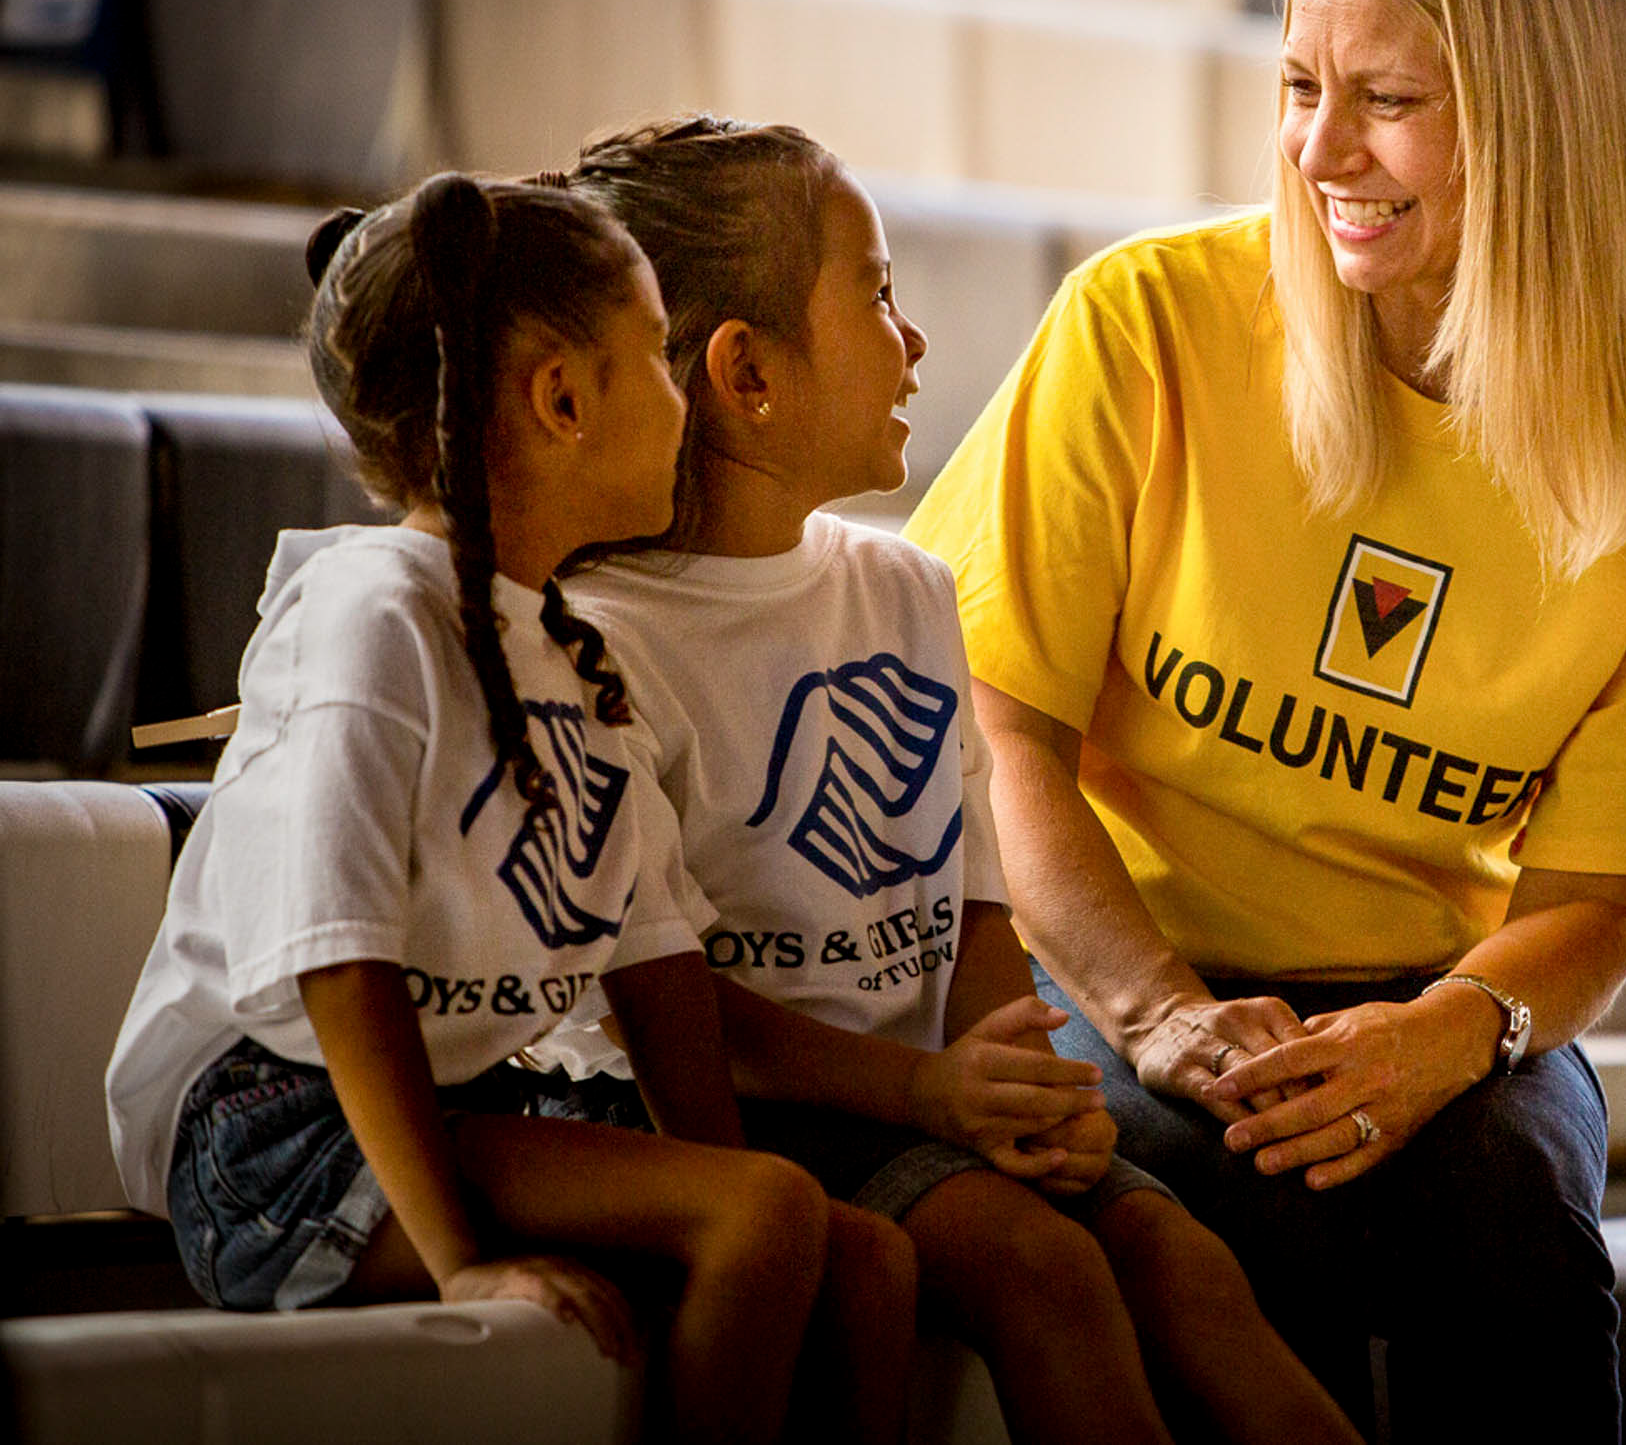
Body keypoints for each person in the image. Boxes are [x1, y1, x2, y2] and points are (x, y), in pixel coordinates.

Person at [904, 0, 1626, 1443]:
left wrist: (1447, 1033)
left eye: (1386, 98)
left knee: (1513, 1215)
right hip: (1114, 956)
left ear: (1548, 122)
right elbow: (997, 730)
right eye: (1301, 86)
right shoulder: (1144, 321)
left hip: (1434, 992)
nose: (1318, 148)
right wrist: (1160, 1011)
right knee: (1233, 1190)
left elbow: (1597, 901)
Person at [526, 117, 1361, 1445]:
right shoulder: (596, 643)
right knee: (1045, 1273)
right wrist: (926, 1094)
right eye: (876, 295)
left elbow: (973, 903)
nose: (913, 340)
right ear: (748, 373)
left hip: (925, 1098)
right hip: (742, 1118)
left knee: (1189, 1265)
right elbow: (664, 1009)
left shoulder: (908, 588)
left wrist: (1020, 1085)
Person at [103, 172, 917, 1445]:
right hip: (278, 1133)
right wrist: (462, 1260)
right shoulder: (375, 614)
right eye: (654, 355)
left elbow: (654, 967)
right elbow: (340, 966)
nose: (682, 395)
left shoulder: (566, 645)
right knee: (765, 1215)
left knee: (859, 1257)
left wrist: (722, 1182)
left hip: (452, 1112)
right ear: (562, 399)